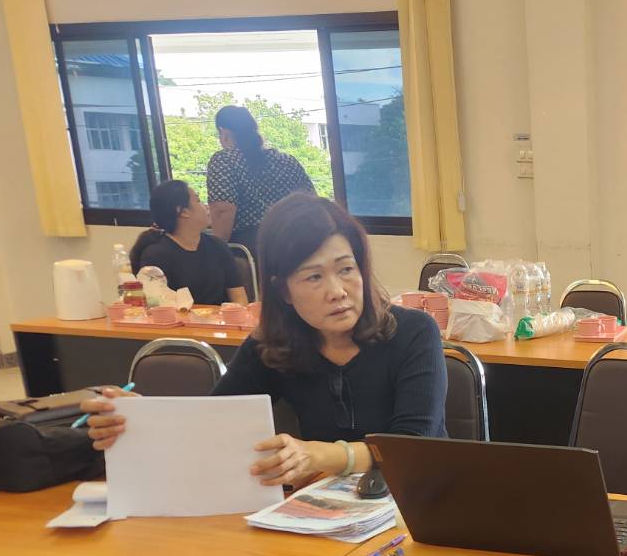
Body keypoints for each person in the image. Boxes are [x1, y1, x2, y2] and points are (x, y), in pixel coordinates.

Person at [83, 194, 447, 487]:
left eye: (346, 269)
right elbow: (214, 420)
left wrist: (319, 455)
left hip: (416, 503)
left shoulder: (413, 332)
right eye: (314, 277)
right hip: (327, 508)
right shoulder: (272, 346)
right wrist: (142, 420)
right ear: (283, 290)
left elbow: (411, 448)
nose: (338, 291)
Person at [206, 105, 316, 252]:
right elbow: (312, 201)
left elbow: (223, 211)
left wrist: (217, 252)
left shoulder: (224, 160)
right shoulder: (286, 160)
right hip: (298, 242)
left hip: (252, 248)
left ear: (223, 132)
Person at [128, 180, 248, 306]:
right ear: (183, 211)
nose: (207, 206)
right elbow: (156, 306)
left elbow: (239, 297)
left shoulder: (218, 246)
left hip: (221, 317)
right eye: (198, 200)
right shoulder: (156, 255)